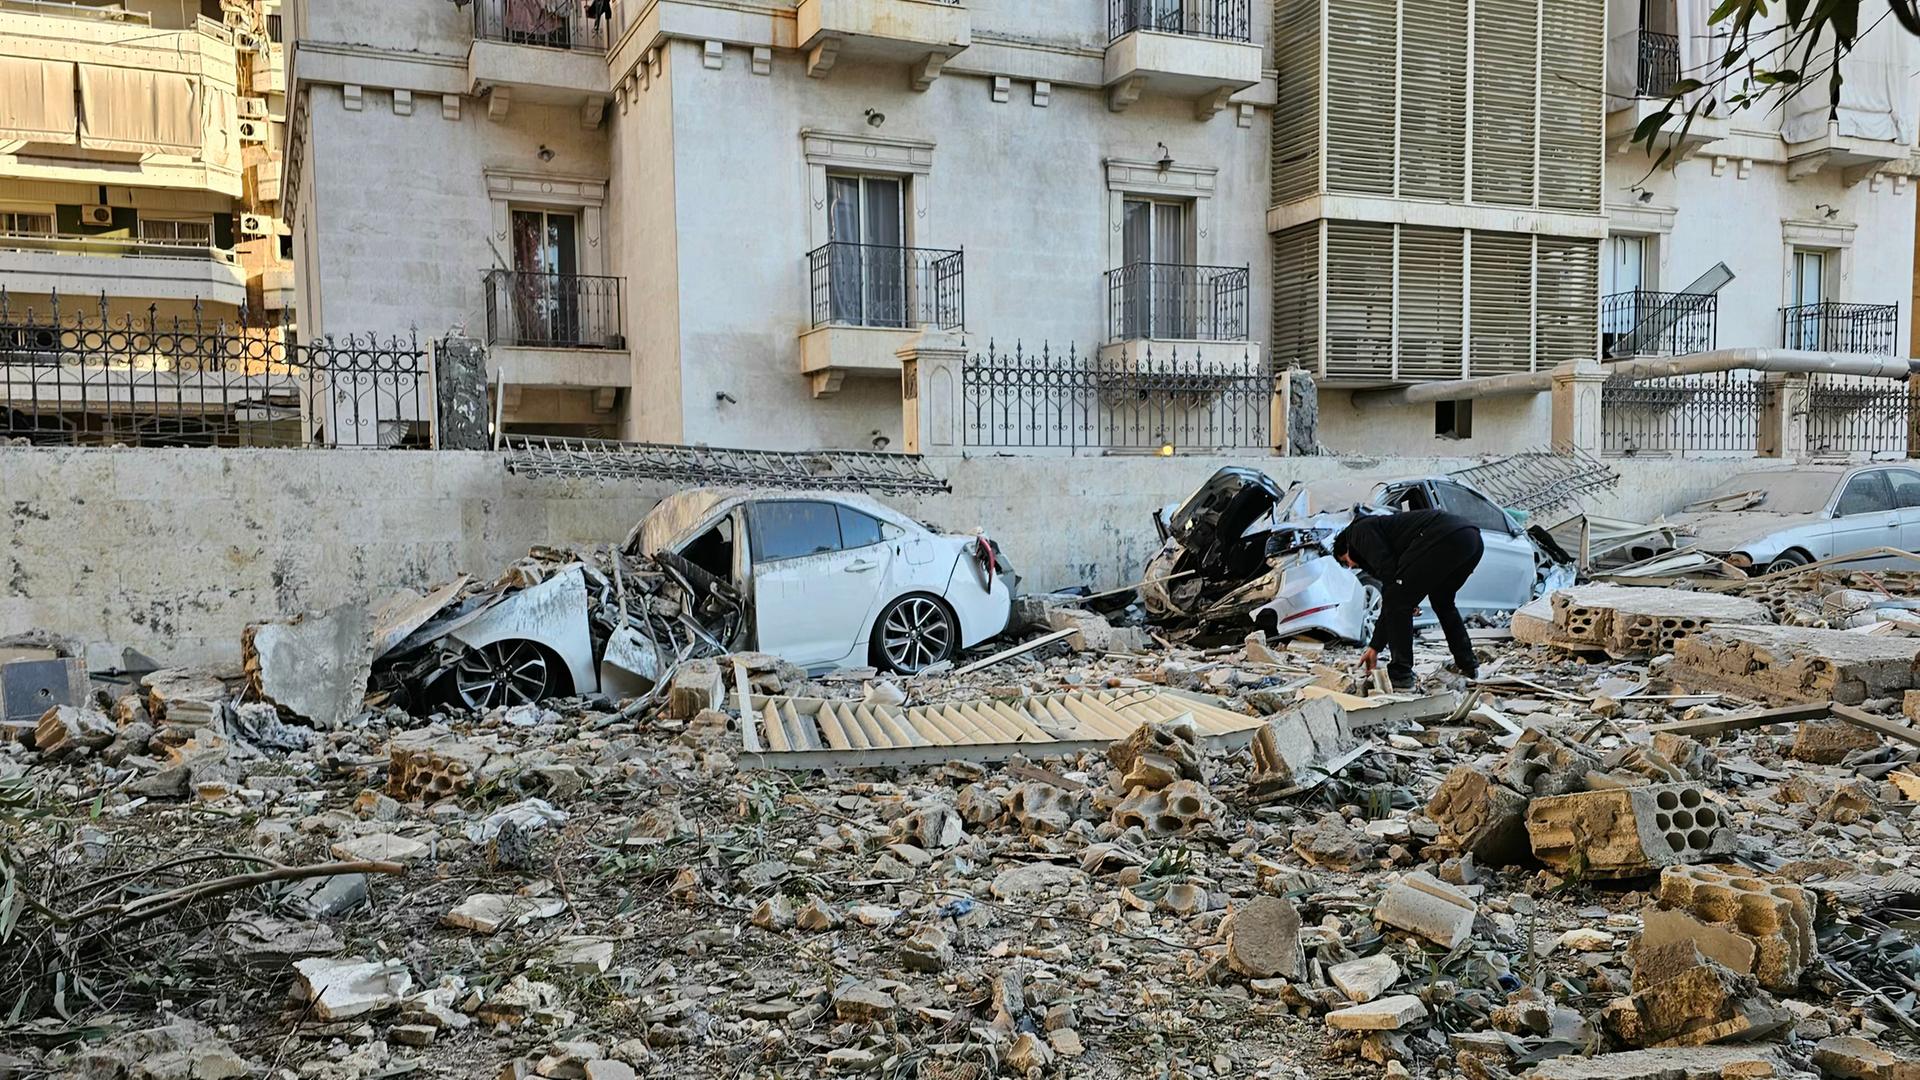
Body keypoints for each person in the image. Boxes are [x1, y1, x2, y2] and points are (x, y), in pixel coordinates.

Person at [1332, 509, 1485, 689]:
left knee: (1398, 601)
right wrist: (1376, 646)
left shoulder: (1358, 533)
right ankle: (1468, 664)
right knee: (1442, 602)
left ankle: (1401, 675)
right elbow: (1395, 588)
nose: (1353, 566)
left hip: (1443, 537)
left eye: (1346, 562)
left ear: (1346, 548)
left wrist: (1376, 644)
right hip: (1472, 540)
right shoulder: (1381, 529)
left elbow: (1390, 581)